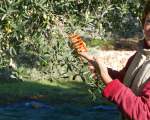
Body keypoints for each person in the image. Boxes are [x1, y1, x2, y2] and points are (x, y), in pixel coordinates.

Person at [79, 2, 150, 120]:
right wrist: (100, 69)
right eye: (149, 21)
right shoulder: (139, 55)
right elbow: (125, 82)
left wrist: (107, 78)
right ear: (143, 24)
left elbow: (144, 114)